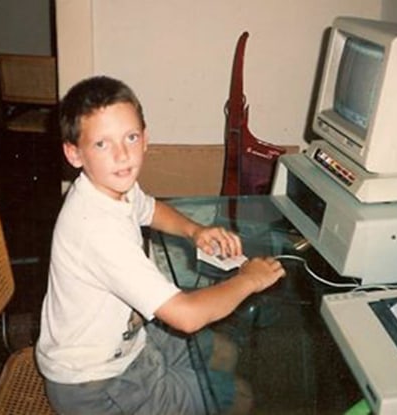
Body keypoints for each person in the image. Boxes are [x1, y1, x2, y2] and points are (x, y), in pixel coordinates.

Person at [35, 75, 286, 415]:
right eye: (102, 144)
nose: (122, 154)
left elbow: (149, 208)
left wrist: (194, 231)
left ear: (146, 139)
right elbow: (186, 316)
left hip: (127, 345)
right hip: (97, 384)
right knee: (240, 397)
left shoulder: (109, 188)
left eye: (130, 137)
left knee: (225, 353)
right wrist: (249, 280)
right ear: (74, 154)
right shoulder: (96, 230)